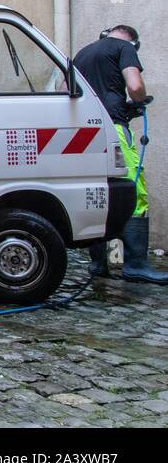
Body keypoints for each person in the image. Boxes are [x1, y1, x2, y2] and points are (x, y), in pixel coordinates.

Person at [74, 25, 168, 283]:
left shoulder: (82, 53)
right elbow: (135, 85)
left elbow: (65, 89)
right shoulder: (124, 48)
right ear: (133, 43)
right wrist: (138, 101)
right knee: (132, 187)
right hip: (113, 127)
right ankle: (136, 264)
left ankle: (97, 264)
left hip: (84, 129)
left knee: (98, 191)